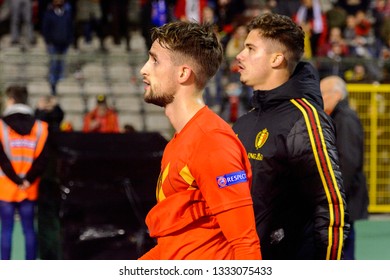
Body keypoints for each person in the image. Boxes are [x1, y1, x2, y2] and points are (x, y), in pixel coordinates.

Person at [138, 21, 261, 260]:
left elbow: (245, 245)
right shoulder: (182, 140)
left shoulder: (211, 142)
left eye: (154, 60)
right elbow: (180, 240)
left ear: (183, 73)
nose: (144, 69)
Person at [232, 13, 348, 260]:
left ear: (277, 59)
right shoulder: (246, 120)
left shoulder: (305, 120)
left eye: (250, 48)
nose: (240, 56)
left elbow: (330, 206)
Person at [320, 75, 369, 260]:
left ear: (338, 94)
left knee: (343, 249)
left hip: (343, 201)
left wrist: (335, 196)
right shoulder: (338, 117)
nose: (320, 98)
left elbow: (347, 162)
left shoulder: (345, 119)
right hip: (343, 199)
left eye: (323, 93)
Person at [0, 85, 49, 260]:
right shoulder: (41, 127)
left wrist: (15, 179)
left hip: (6, 187)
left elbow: (2, 158)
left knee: (6, 230)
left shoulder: (0, 125)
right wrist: (27, 179)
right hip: (29, 188)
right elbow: (42, 159)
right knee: (29, 229)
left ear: (11, 100)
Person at [41, 0, 73, 95]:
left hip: (64, 43)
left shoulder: (67, 14)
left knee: (62, 62)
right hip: (53, 44)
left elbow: (70, 27)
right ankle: (53, 81)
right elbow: (45, 29)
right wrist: (48, 41)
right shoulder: (49, 14)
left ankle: (61, 81)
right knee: (54, 62)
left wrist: (69, 40)